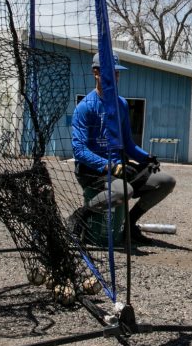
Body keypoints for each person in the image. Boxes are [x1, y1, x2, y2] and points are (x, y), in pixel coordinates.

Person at [70, 53, 175, 244]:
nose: (115, 77)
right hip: (93, 171)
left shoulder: (121, 104)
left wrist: (146, 157)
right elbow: (79, 151)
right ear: (96, 73)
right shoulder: (85, 107)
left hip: (118, 169)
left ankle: (129, 225)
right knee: (123, 190)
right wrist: (110, 166)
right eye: (110, 73)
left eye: (117, 73)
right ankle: (79, 217)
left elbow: (128, 144)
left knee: (166, 181)